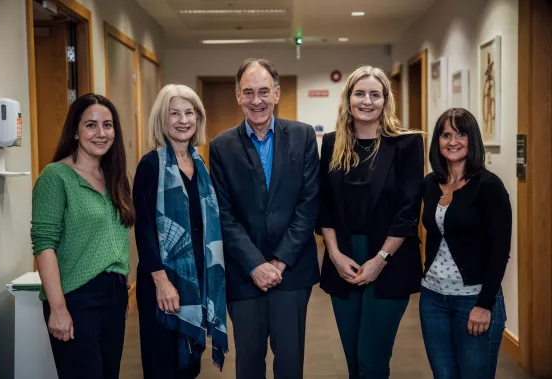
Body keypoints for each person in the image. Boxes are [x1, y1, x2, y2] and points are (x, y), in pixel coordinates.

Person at [209, 58, 320, 379]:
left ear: (276, 93)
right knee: (248, 363)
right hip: (244, 275)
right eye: (248, 92)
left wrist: (280, 261)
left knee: (289, 363)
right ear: (237, 96)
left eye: (263, 91)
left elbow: (309, 203)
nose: (256, 100)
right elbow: (222, 212)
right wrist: (255, 264)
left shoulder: (302, 136)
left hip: (293, 273)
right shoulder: (221, 146)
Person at [318, 65, 424, 379]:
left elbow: (408, 210)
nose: (367, 101)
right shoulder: (332, 143)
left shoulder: (406, 144)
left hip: (389, 259)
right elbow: (324, 206)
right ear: (348, 99)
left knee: (372, 359)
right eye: (359, 93)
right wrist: (334, 256)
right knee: (353, 359)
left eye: (375, 94)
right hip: (344, 260)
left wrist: (380, 259)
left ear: (385, 100)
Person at [30, 93, 134, 379]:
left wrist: (122, 285)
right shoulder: (55, 177)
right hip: (76, 298)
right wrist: (58, 308)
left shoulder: (115, 177)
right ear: (75, 131)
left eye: (108, 125)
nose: (101, 133)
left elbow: (116, 236)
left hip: (114, 297)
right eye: (91, 125)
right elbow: (44, 245)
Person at [133, 84, 228, 378]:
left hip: (196, 277)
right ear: (162, 119)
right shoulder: (151, 165)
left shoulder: (200, 166)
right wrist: (161, 282)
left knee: (189, 368)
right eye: (174, 113)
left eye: (189, 113)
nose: (182, 120)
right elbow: (144, 229)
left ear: (197, 118)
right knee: (163, 366)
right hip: (162, 279)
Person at [420, 108, 511, 379]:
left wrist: (484, 305)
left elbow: (500, 250)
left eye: (461, 134)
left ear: (473, 139)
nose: (452, 141)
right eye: (445, 135)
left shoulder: (489, 186)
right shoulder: (430, 183)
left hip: (473, 300)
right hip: (432, 299)